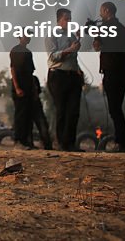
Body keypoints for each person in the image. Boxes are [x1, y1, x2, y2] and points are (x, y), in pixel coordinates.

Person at [92, 1, 125, 152]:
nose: (100, 14)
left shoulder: (107, 28)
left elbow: (97, 46)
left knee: (114, 109)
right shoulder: (121, 28)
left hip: (113, 73)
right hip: (122, 72)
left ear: (107, 11)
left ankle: (122, 141)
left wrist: (94, 33)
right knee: (117, 108)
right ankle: (122, 140)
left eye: (101, 11)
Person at [45, 8, 83, 151]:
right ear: (59, 19)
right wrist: (70, 49)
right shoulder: (51, 35)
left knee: (73, 111)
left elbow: (74, 57)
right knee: (61, 110)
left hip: (72, 75)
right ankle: (60, 143)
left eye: (70, 18)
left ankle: (70, 143)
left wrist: (78, 40)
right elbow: (53, 56)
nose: (69, 21)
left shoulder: (72, 36)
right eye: (66, 19)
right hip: (58, 75)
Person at [10, 36, 37, 149]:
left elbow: (31, 72)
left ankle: (27, 142)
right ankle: (18, 141)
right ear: (20, 36)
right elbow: (13, 69)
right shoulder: (16, 50)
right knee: (20, 115)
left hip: (28, 87)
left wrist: (33, 89)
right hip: (20, 87)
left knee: (28, 115)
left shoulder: (28, 53)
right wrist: (17, 88)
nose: (28, 37)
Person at [30, 75, 53, 150]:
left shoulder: (24, 78)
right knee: (42, 124)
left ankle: (46, 144)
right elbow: (38, 92)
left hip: (31, 104)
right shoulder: (34, 79)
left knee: (40, 125)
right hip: (35, 103)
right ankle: (47, 145)